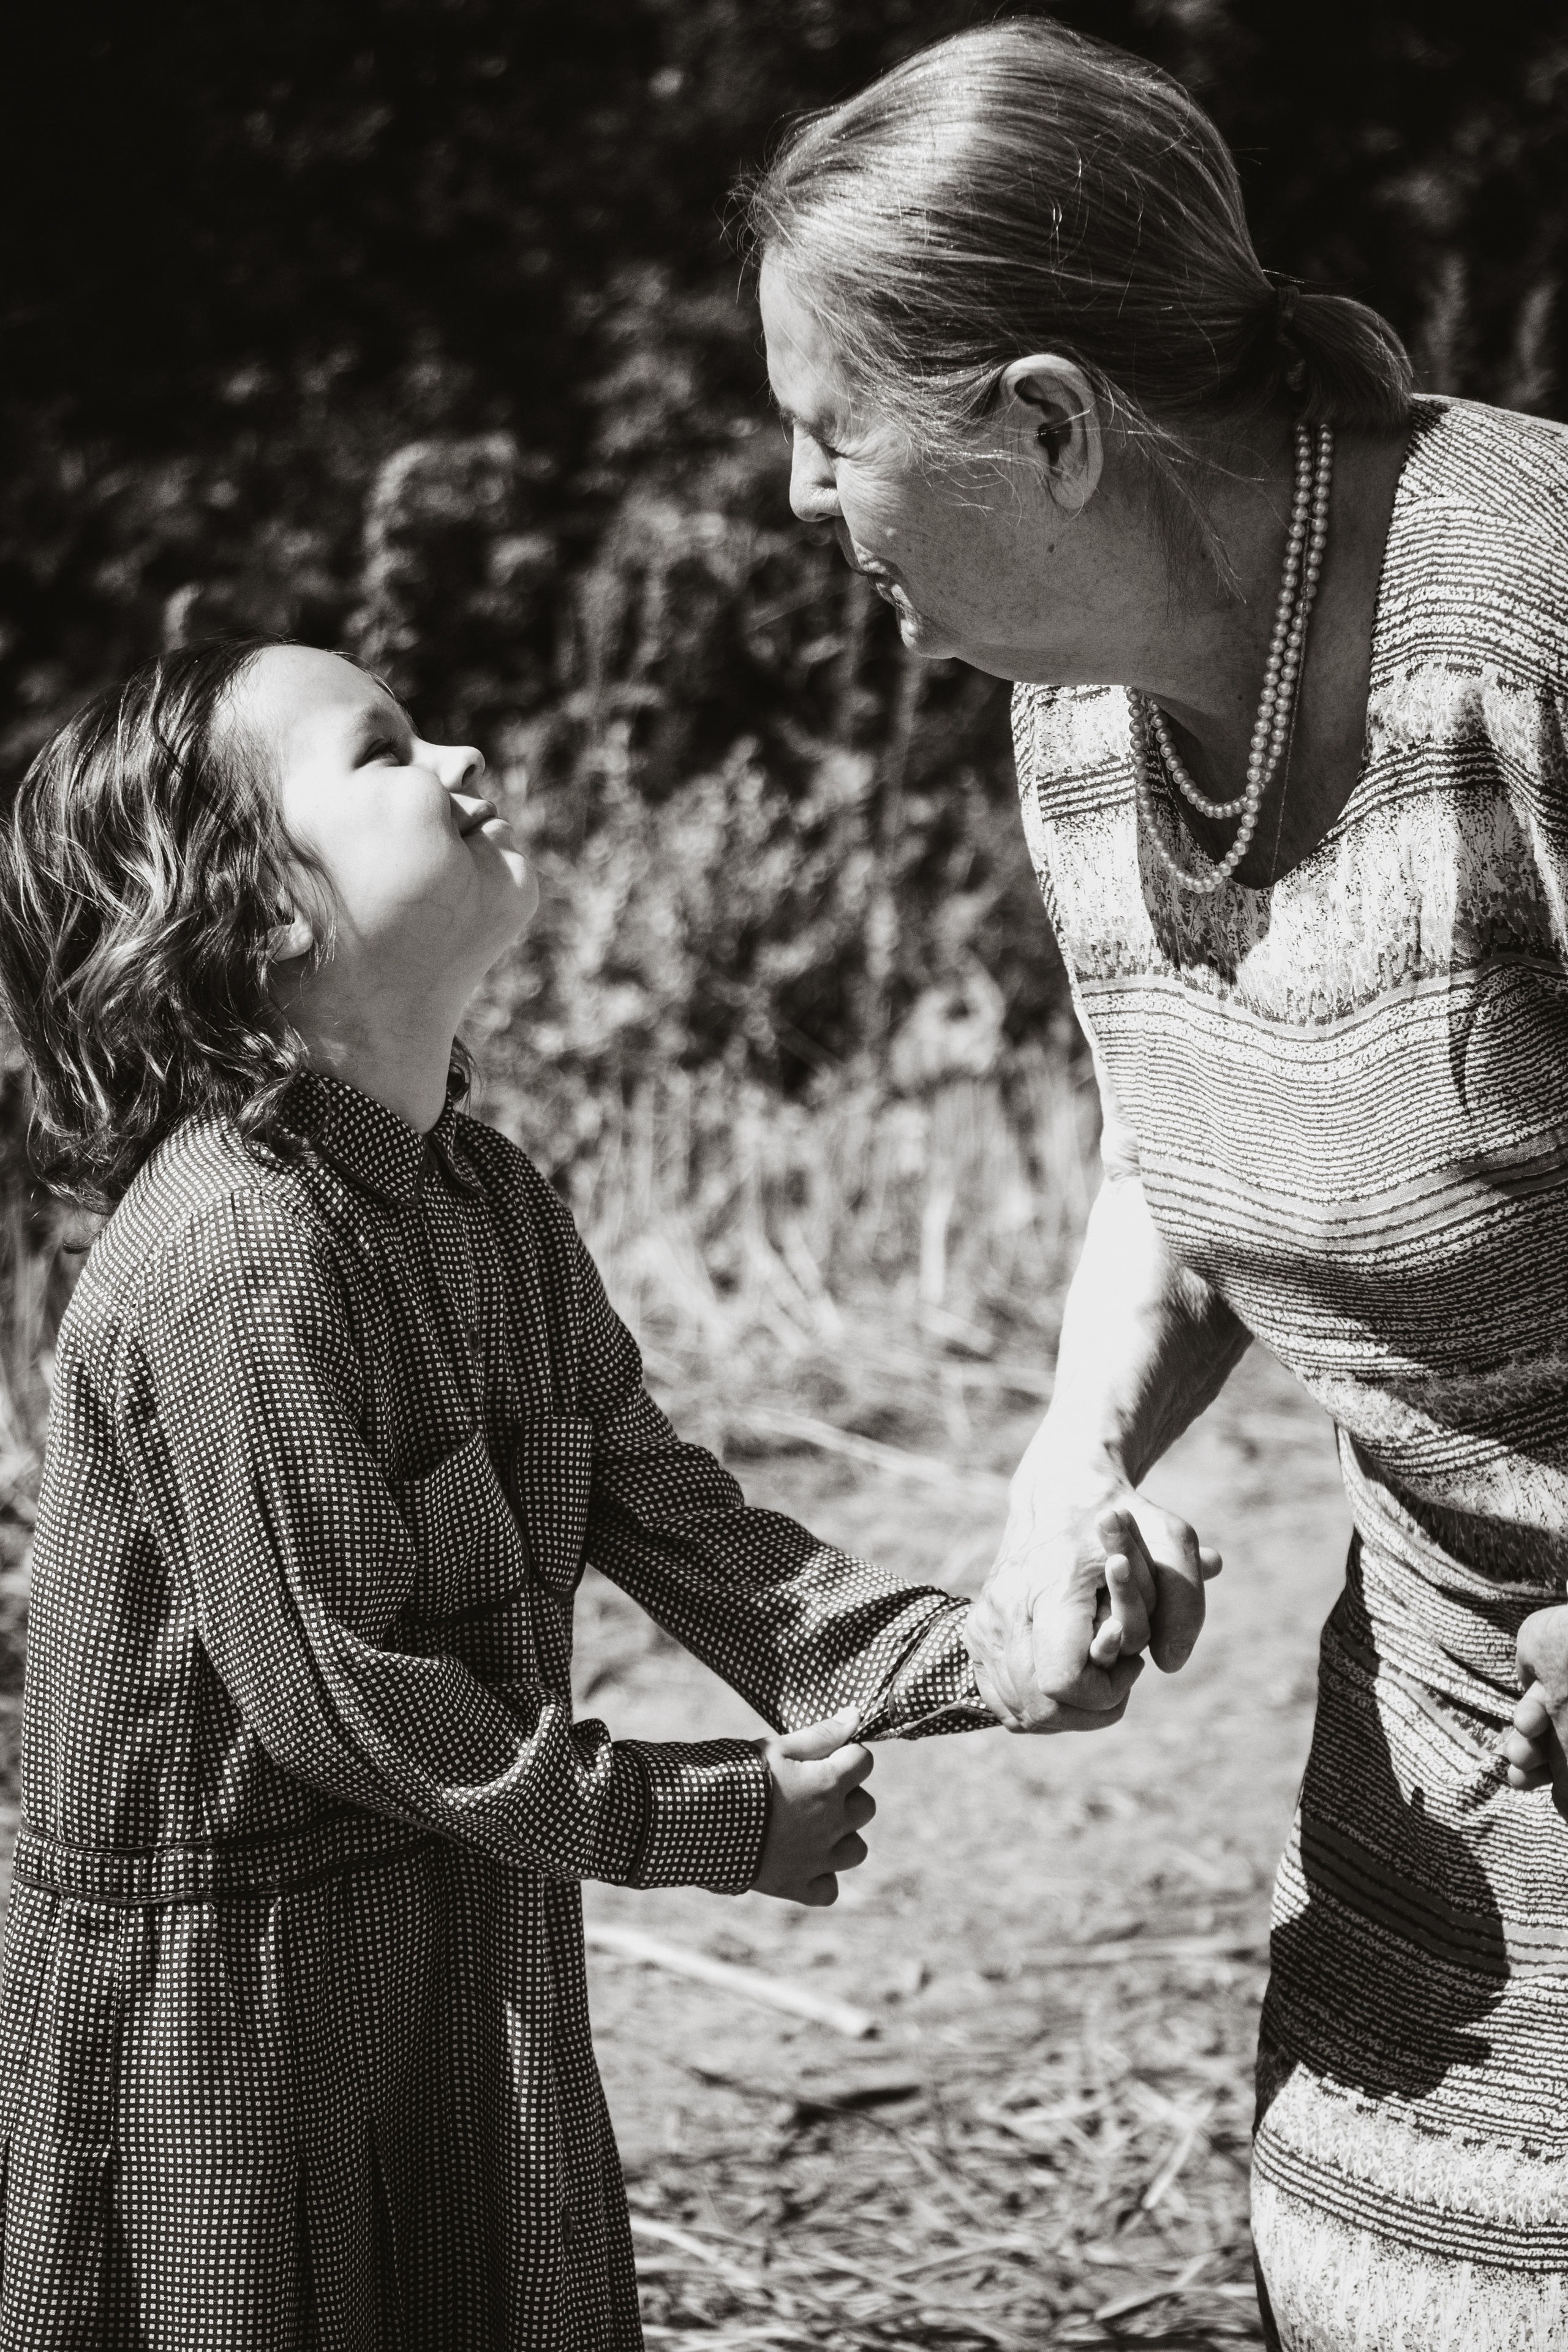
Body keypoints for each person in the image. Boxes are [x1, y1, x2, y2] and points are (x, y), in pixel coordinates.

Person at [0, 637, 1163, 2348]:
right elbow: (358, 1702)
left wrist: (989, 1655)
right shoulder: (235, 1258)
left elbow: (688, 1526)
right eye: (388, 748)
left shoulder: (495, 1206)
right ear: (253, 914)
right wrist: (704, 1821)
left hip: (454, 1913)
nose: (468, 751)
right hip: (231, 2010)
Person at [747, 17, 1568, 2350]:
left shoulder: (1526, 621)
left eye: (832, 431)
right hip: (1446, 1709)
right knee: (1386, 2275)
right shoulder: (1078, 700)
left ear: (1043, 425)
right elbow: (1185, 1104)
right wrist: (1071, 1458)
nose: (804, 500)